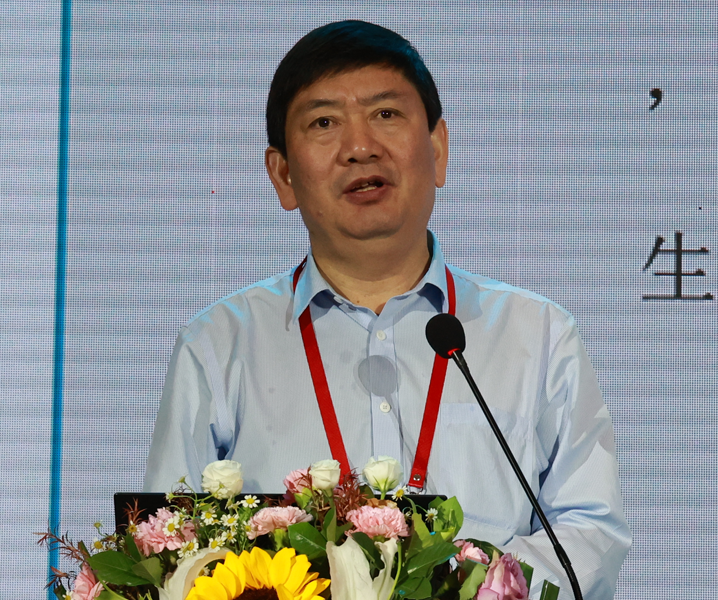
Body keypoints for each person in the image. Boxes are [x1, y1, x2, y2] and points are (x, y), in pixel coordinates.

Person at [144, 20, 630, 599]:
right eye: (324, 122)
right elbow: (165, 549)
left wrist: (467, 591)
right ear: (283, 174)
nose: (360, 146)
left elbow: (589, 530)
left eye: (385, 113)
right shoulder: (219, 343)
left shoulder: (537, 334)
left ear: (438, 149)